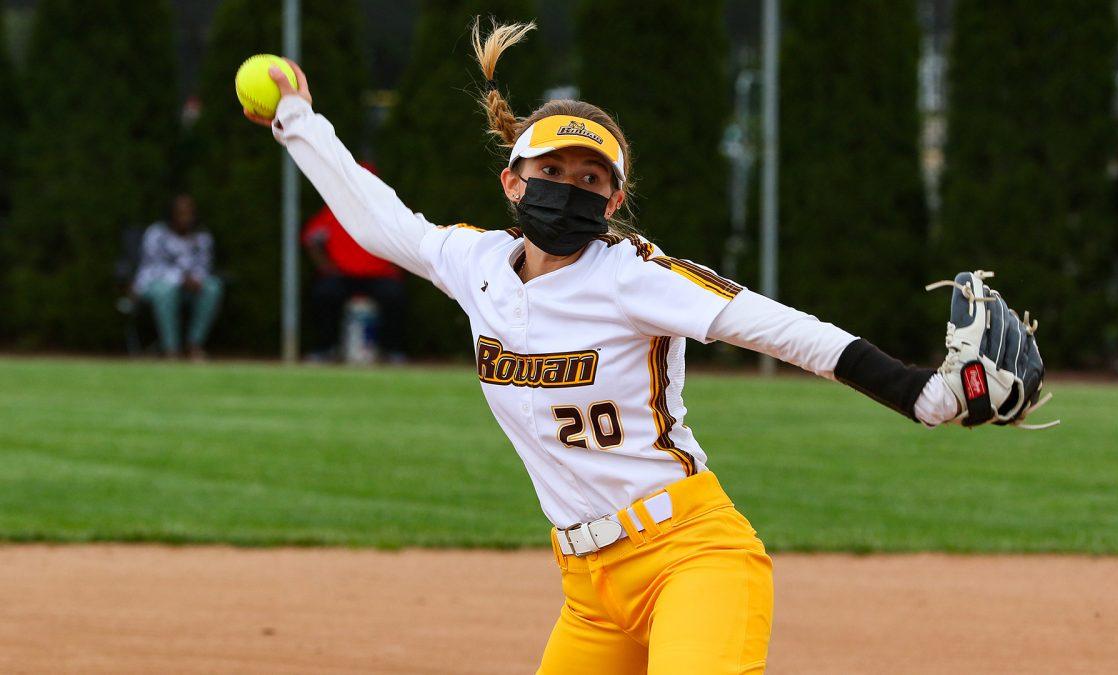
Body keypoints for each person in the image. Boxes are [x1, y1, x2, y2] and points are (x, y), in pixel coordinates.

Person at [244, 20, 1048, 674]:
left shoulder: (633, 275)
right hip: (589, 591)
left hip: (692, 557)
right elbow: (381, 220)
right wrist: (298, 123)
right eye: (551, 168)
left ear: (615, 197)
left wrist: (922, 393)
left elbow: (775, 326)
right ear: (512, 183)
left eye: (592, 178)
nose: (571, 184)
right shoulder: (475, 262)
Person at [302, 162, 408, 362]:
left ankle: (392, 351)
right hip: (343, 275)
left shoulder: (387, 209)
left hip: (379, 276)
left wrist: (397, 264)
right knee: (324, 293)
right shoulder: (335, 208)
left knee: (394, 295)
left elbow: (406, 239)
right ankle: (325, 349)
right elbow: (311, 239)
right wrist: (325, 266)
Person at [132, 193, 223, 360]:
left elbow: (204, 266)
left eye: (190, 213)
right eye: (181, 213)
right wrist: (180, 279)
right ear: (171, 214)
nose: (186, 218)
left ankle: (194, 345)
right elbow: (152, 266)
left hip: (189, 288)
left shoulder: (202, 237)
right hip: (154, 285)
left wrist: (196, 279)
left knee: (212, 287)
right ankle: (171, 349)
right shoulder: (156, 234)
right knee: (166, 291)